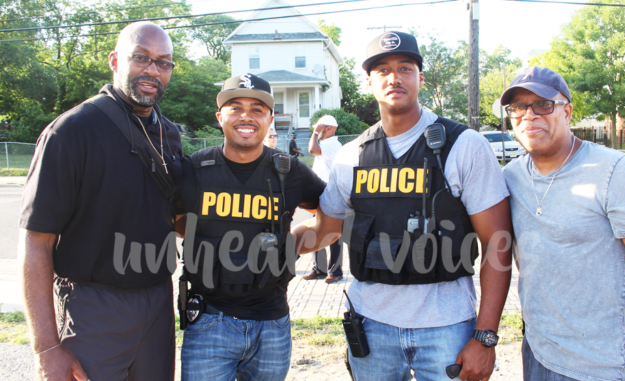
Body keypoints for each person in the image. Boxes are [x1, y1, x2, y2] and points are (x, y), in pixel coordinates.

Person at [292, 31, 513, 381]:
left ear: (420, 78)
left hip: (448, 328)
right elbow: (326, 230)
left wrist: (485, 337)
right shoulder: (352, 156)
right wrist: (270, 248)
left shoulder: (463, 145)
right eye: (382, 70)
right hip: (371, 327)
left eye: (405, 68)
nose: (394, 77)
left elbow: (498, 246)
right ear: (368, 82)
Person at [18, 22, 182, 381]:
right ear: (114, 60)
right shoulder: (72, 131)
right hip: (93, 306)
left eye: (163, 62)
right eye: (141, 58)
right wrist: (45, 347)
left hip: (157, 302)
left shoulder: (169, 134)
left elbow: (176, 217)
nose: (152, 70)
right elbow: (35, 242)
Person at [499, 67, 625, 381]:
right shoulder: (511, 177)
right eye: (518, 107)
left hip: (605, 367)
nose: (529, 115)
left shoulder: (614, 172)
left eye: (543, 104)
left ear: (567, 111)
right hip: (538, 355)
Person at [176, 73, 326, 381]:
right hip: (208, 320)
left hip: (272, 322)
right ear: (220, 117)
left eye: (257, 109)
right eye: (235, 107)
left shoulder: (290, 170)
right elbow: (174, 221)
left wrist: (294, 241)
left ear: (270, 119)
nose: (246, 115)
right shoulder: (193, 169)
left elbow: (329, 213)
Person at [303, 115, 344, 283]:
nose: (317, 130)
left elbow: (312, 150)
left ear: (327, 128)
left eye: (320, 127)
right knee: (316, 229)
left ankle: (335, 271)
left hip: (331, 192)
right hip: (319, 192)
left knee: (333, 233)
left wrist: (314, 132)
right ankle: (318, 268)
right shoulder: (326, 144)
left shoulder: (333, 144)